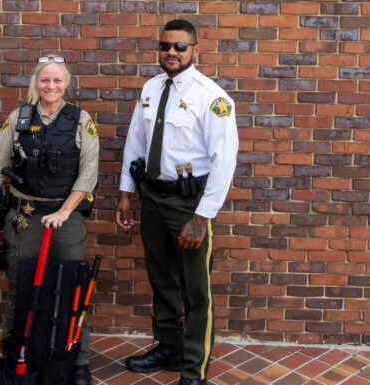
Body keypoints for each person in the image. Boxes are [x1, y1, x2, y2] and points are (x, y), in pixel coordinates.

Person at [115, 19, 238, 385]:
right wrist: (125, 193)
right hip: (152, 196)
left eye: (180, 47)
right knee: (161, 278)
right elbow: (135, 143)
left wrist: (202, 217)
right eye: (165, 46)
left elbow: (225, 161)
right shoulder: (150, 89)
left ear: (196, 50)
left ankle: (194, 367)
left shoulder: (211, 98)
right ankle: (169, 347)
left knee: (196, 289)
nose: (171, 52)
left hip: (189, 205)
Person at [0, 54, 99, 385]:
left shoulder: (81, 120)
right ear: (36, 82)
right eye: (45, 79)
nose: (51, 86)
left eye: (57, 80)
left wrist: (64, 211)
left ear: (67, 84)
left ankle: (79, 362)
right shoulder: (18, 118)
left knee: (73, 288)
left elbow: (89, 174)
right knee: (19, 288)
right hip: (25, 217)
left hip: (66, 218)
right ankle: (11, 352)